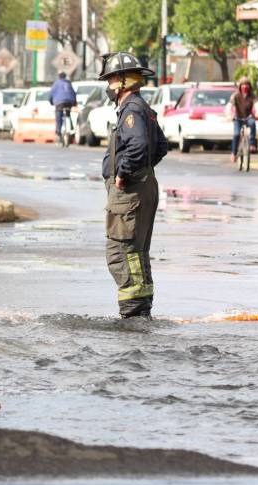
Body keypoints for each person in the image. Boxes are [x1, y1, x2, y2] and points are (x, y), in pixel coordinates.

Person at [98, 52, 168, 319]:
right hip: (143, 187)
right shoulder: (142, 107)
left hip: (129, 193)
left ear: (124, 81)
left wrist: (124, 173)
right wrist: (142, 170)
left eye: (111, 79)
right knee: (136, 253)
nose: (108, 85)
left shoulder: (131, 109)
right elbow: (160, 146)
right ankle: (140, 312)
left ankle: (134, 314)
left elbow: (139, 146)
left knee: (121, 252)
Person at [229, 76, 258, 161]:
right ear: (240, 86)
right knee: (237, 134)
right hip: (238, 118)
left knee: (252, 123)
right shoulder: (235, 95)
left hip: (248, 118)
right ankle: (233, 153)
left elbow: (257, 104)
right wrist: (229, 114)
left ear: (249, 86)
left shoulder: (252, 96)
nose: (245, 87)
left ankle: (252, 145)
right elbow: (230, 106)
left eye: (246, 85)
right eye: (243, 85)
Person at [49, 72, 77, 143]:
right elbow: (73, 93)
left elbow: (51, 94)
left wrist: (51, 102)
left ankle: (58, 132)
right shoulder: (68, 83)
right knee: (68, 114)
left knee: (59, 116)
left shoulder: (56, 83)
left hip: (59, 102)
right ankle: (71, 128)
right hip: (69, 102)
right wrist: (74, 102)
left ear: (59, 77)